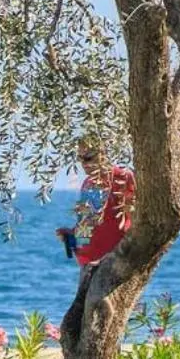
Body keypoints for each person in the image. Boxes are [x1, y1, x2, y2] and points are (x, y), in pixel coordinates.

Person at [58, 139, 136, 347]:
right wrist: (71, 237)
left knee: (104, 324)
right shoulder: (89, 184)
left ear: (103, 153)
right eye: (80, 159)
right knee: (82, 326)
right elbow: (87, 223)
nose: (84, 164)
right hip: (88, 263)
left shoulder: (123, 179)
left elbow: (135, 216)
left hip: (112, 261)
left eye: (89, 158)